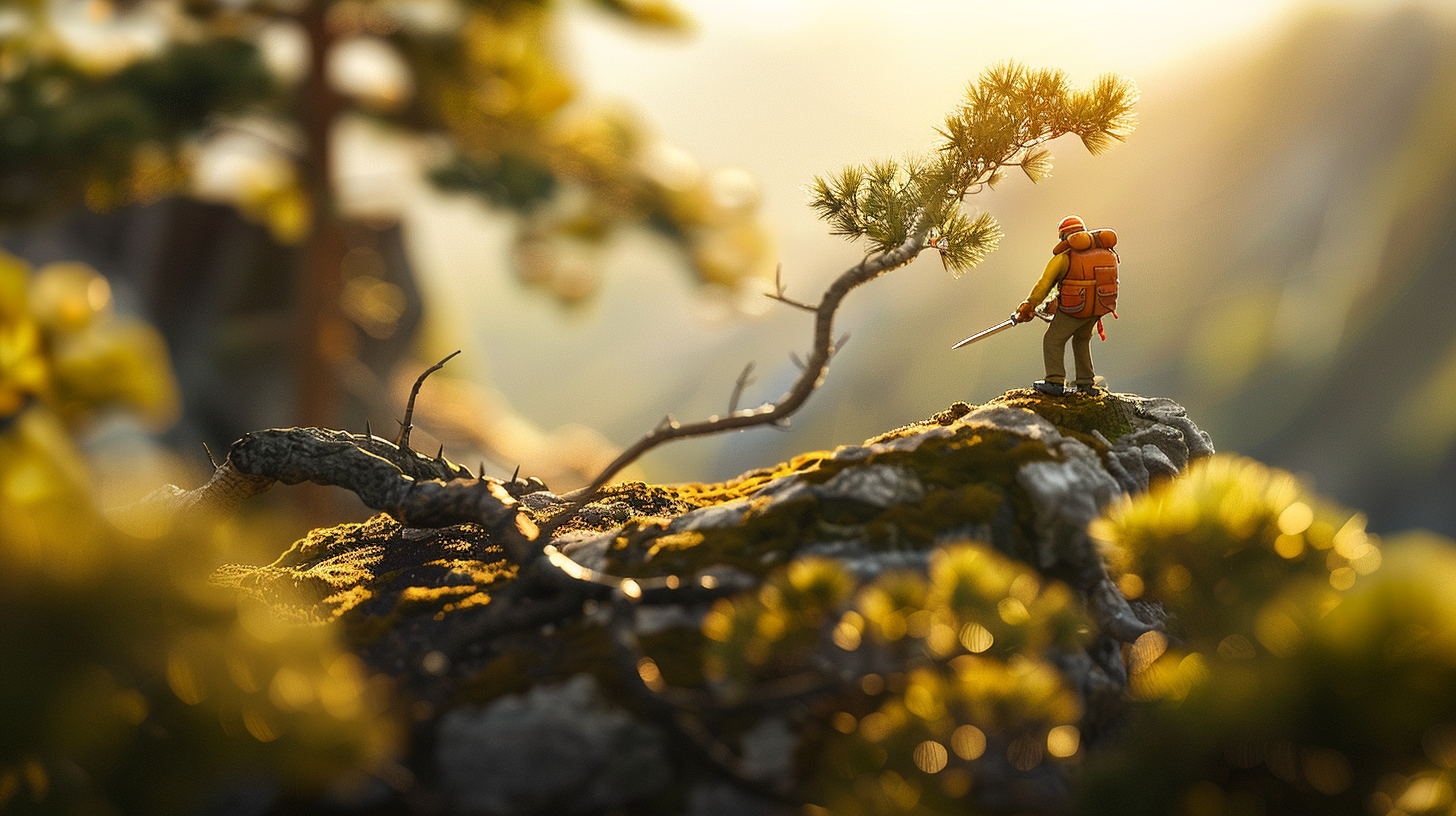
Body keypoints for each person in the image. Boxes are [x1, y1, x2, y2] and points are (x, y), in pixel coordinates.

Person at [1012, 214, 1119, 397]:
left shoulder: (1064, 258)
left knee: (1053, 340)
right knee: (1081, 340)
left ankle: (1054, 381)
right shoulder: (1105, 252)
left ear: (1064, 236)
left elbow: (1044, 284)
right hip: (1097, 308)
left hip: (1074, 309)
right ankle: (1086, 383)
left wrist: (1029, 304)